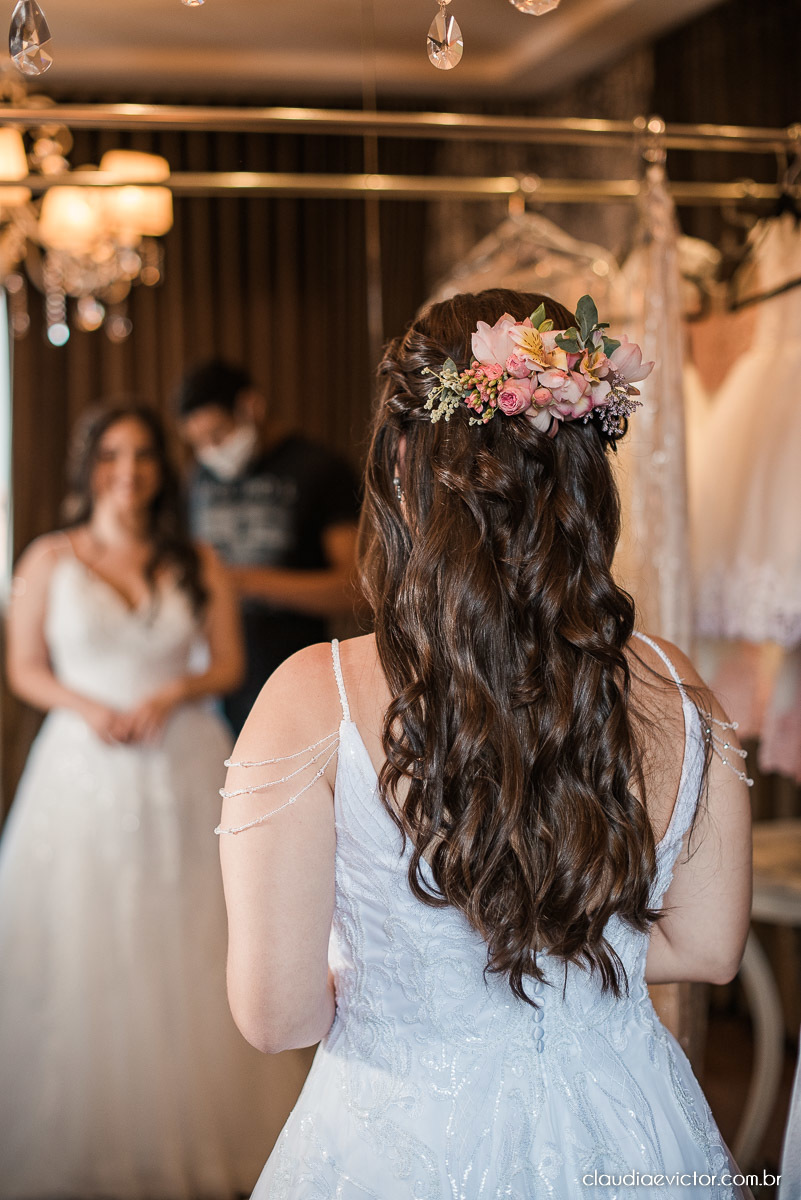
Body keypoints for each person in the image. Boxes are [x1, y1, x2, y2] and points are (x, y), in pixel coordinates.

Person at [217, 290, 754, 1198]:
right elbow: (708, 948)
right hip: (630, 1131)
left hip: (401, 1136)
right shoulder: (676, 686)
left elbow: (276, 1015)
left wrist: (410, 972)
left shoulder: (315, 696)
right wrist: (572, 957)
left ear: (398, 460)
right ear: (586, 458)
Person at [0, 403, 313, 1199]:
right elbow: (24, 667)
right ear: (90, 467)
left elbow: (228, 664)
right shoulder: (48, 559)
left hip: (181, 762)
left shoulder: (196, 559)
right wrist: (84, 705)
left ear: (159, 471)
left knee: (192, 942)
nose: (129, 470)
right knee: (82, 944)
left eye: (143, 455)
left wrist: (174, 688)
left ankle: (207, 1139)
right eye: (113, 454)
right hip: (83, 768)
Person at [175, 360, 361, 733]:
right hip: (211, 683)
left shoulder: (320, 470)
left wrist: (248, 582)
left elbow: (356, 587)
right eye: (198, 443)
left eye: (218, 434)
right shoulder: (197, 479)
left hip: (294, 675)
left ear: (250, 407)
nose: (211, 451)